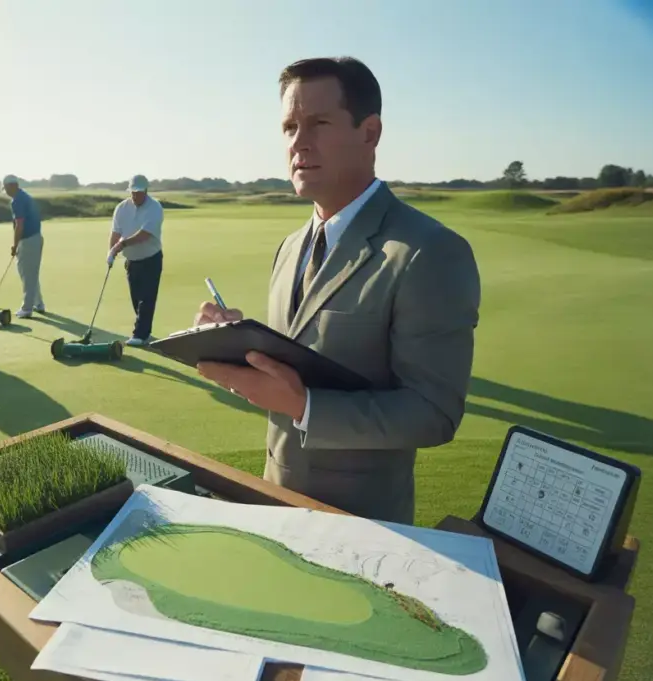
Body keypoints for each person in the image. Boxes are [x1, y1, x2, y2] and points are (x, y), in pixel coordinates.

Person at [194, 56, 482, 525]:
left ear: (370, 133)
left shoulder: (428, 251)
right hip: (274, 500)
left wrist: (303, 405)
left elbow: (433, 413)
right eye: (289, 127)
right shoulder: (290, 247)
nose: (298, 142)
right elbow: (301, 358)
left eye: (319, 123)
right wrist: (238, 344)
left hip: (363, 525)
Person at [108, 174, 164, 346]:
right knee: (136, 298)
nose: (135, 195)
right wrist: (111, 252)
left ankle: (140, 334)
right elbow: (116, 232)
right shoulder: (121, 208)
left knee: (147, 298)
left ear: (146, 191)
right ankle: (144, 330)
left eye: (138, 192)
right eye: (133, 192)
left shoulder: (154, 207)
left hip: (151, 259)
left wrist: (122, 244)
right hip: (132, 261)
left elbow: (144, 234)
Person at [2, 174, 45, 317]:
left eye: (6, 188)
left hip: (28, 240)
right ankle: (38, 303)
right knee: (31, 273)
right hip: (35, 238)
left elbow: (19, 225)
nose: (6, 192)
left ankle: (27, 308)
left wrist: (15, 245)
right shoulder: (25, 197)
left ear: (12, 186)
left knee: (27, 275)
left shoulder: (17, 201)